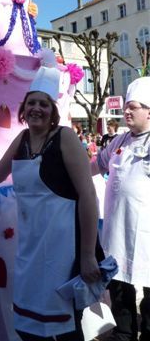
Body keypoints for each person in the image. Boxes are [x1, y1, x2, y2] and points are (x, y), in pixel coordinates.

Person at [0, 66, 102, 341]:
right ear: (24, 108)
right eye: (32, 102)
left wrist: (88, 253)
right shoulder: (22, 140)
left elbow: (87, 195)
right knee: (29, 324)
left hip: (64, 247)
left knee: (67, 326)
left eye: (44, 103)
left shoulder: (64, 137)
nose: (37, 108)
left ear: (53, 111)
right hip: (32, 246)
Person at [92, 76, 150, 341]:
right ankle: (124, 333)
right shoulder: (118, 141)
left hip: (146, 232)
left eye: (134, 107)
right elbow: (96, 165)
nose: (127, 111)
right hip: (117, 229)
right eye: (126, 106)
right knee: (118, 284)